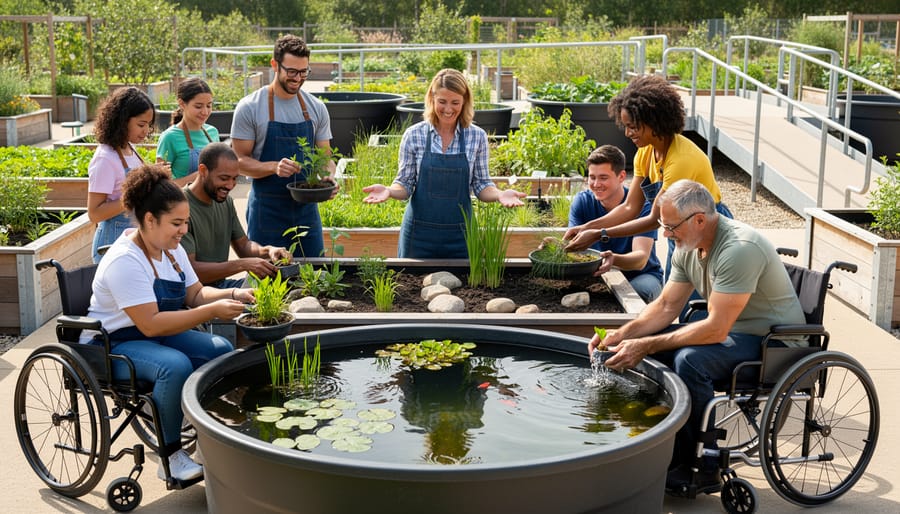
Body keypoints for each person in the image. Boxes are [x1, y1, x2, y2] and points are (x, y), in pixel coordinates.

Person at [587, 179, 805, 495]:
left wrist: (645, 344)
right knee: (654, 349)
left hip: (776, 342)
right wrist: (618, 338)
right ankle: (666, 446)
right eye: (663, 225)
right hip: (734, 331)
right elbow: (665, 306)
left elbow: (716, 328)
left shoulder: (738, 249)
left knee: (690, 360)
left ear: (699, 219)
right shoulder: (689, 246)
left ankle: (703, 464)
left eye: (670, 226)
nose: (665, 234)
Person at [80, 164, 251, 481]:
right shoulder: (124, 261)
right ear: (149, 219)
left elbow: (196, 294)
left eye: (185, 222)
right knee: (173, 366)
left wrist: (234, 294)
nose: (183, 230)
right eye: (176, 223)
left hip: (156, 334)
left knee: (220, 349)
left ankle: (210, 437)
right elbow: (152, 325)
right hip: (113, 345)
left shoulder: (171, 250)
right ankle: (170, 456)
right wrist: (213, 312)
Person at [564, 74, 732, 279]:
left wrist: (600, 234)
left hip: (706, 229)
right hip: (678, 230)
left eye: (633, 127)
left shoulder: (681, 160)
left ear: (655, 121)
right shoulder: (645, 152)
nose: (627, 133)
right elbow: (630, 207)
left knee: (701, 302)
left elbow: (655, 218)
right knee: (676, 298)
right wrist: (586, 227)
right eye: (625, 126)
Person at [361, 68, 526, 258]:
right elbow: (405, 184)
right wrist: (389, 191)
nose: (448, 109)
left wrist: (499, 194)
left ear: (465, 102)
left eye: (455, 102)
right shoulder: (414, 135)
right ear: (432, 99)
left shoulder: (476, 136)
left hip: (461, 236)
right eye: (442, 102)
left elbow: (481, 185)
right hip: (418, 236)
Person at [230, 34, 336, 258]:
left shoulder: (316, 108)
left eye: (304, 72)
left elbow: (326, 157)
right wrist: (273, 167)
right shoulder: (250, 107)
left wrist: (328, 178)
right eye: (292, 72)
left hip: (307, 211)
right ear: (274, 65)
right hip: (267, 211)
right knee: (268, 280)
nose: (298, 78)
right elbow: (238, 162)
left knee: (315, 275)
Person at [182, 142, 292, 288]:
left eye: (234, 178)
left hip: (221, 286)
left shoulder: (226, 202)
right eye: (224, 178)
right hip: (193, 293)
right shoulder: (180, 207)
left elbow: (243, 245)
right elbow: (190, 271)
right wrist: (242, 265)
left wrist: (269, 250)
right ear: (203, 171)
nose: (230, 185)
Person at [569, 145, 662, 302]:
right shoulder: (582, 202)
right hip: (598, 275)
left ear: (621, 176)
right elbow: (574, 246)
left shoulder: (643, 206)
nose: (596, 184)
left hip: (640, 275)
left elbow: (640, 260)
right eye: (592, 177)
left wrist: (615, 259)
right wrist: (555, 244)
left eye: (603, 178)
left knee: (639, 292)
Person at [87, 86, 156, 263]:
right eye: (141, 125)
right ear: (122, 121)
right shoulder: (105, 158)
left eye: (149, 124)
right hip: (111, 245)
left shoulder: (128, 148)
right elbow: (94, 214)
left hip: (132, 242)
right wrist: (136, 196)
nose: (146, 131)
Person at [156, 77, 219, 186]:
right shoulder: (169, 137)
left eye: (209, 105)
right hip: (184, 201)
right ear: (182, 104)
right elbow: (162, 185)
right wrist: (198, 176)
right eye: (198, 106)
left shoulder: (213, 132)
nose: (205, 111)